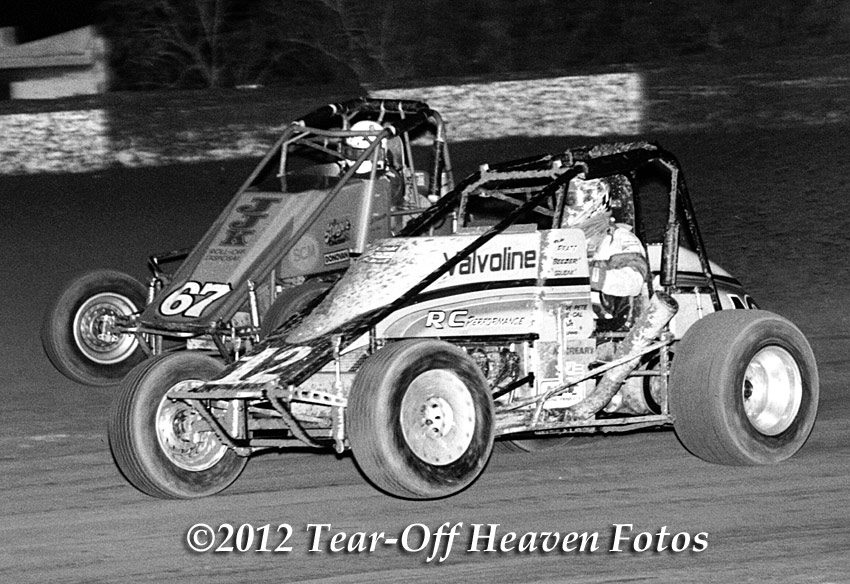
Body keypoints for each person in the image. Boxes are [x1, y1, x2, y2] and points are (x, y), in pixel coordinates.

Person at [562, 175, 649, 328]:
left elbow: (634, 281)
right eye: (564, 200)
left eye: (572, 199)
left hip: (606, 327)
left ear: (595, 200)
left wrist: (589, 274)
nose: (567, 207)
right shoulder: (557, 240)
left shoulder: (618, 238)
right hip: (560, 321)